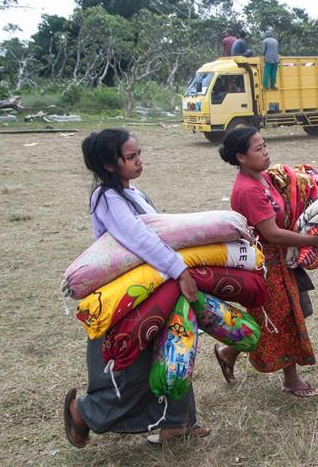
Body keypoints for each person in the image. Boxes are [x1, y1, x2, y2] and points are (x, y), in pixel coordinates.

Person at [64, 129, 207, 448]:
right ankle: (83, 413)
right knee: (136, 368)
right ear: (109, 164)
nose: (139, 161)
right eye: (131, 157)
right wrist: (179, 270)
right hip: (129, 297)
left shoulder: (134, 193)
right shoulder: (106, 198)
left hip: (156, 287)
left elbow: (161, 232)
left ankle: (177, 423)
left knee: (173, 349)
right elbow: (138, 239)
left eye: (139, 153)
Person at [214, 127, 318, 397]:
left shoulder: (264, 178)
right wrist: (315, 242)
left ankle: (227, 351)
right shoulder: (248, 190)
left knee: (273, 317)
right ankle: (291, 380)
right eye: (258, 149)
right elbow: (272, 233)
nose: (265, 151)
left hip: (280, 260)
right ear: (241, 157)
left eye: (264, 145)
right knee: (281, 320)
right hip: (266, 264)